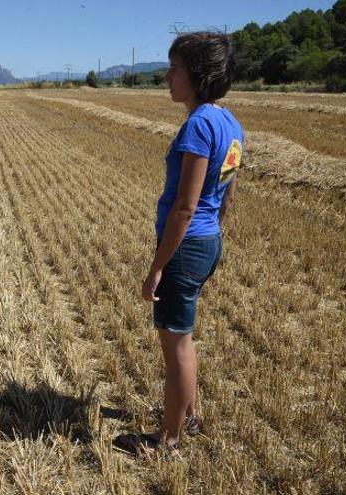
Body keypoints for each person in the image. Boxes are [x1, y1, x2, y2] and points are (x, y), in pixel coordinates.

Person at [114, 32, 243, 457]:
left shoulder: (198, 125)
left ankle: (168, 440)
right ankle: (189, 415)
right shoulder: (229, 122)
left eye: (175, 69)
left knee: (176, 346)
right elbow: (227, 190)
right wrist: (215, 232)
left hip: (187, 246)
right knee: (184, 339)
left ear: (199, 77)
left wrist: (157, 266)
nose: (167, 76)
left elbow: (185, 209)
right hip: (208, 242)